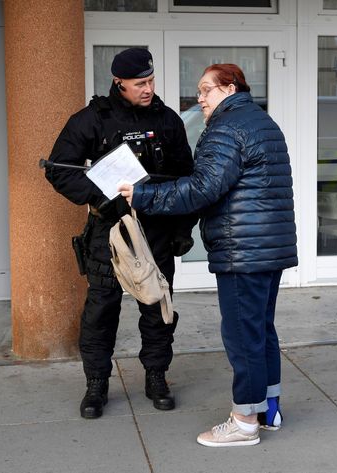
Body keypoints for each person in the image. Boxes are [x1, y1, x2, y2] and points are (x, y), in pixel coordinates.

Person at [119, 63, 297, 447]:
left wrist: (144, 195)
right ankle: (268, 409)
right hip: (269, 246)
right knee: (261, 330)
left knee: (242, 335)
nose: (198, 98)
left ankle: (244, 421)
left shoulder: (227, 128)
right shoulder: (262, 122)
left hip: (243, 250)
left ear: (230, 89)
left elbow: (203, 188)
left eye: (206, 90)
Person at [45, 48, 196, 419]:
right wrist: (102, 196)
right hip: (108, 231)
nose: (147, 89)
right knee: (100, 312)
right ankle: (96, 383)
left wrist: (181, 229)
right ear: (118, 83)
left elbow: (186, 179)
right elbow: (58, 170)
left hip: (156, 230)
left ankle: (156, 376)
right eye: (139, 83)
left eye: (151, 81)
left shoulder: (167, 121)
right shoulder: (92, 120)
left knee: (157, 307)